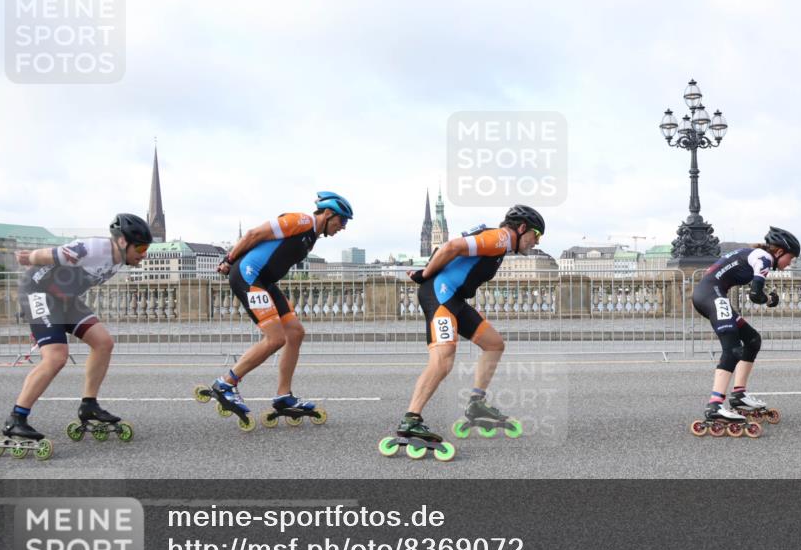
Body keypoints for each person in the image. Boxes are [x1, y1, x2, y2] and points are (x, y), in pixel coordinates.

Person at [380, 205, 545, 460]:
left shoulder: (502, 244)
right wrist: (425, 273)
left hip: (453, 299)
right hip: (440, 296)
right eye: (536, 234)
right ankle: (410, 420)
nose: (536, 241)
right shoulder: (500, 237)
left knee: (494, 344)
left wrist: (429, 269)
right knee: (443, 360)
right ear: (522, 228)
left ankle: (476, 404)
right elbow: (450, 247)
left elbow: (449, 252)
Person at [0, 214, 152, 459]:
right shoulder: (93, 248)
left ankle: (89, 405)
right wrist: (28, 257)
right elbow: (51, 254)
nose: (143, 254)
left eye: (146, 248)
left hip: (64, 300)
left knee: (103, 343)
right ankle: (16, 418)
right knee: (56, 357)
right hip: (38, 292)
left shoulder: (120, 259)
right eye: (140, 247)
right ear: (121, 242)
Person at [198, 192, 352, 430]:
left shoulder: (311, 237)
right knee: (276, 338)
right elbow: (254, 234)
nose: (342, 227)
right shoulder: (300, 221)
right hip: (250, 276)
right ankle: (226, 383)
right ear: (329, 213)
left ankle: (283, 396)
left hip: (265, 282)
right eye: (342, 221)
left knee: (296, 333)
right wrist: (229, 259)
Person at [690, 227, 801, 436]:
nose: (790, 264)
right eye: (791, 258)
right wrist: (770, 299)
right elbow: (755, 294)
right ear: (779, 252)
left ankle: (739, 395)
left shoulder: (755, 254)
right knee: (732, 349)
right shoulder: (765, 258)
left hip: (711, 293)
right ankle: (715, 405)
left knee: (752, 340)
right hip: (712, 296)